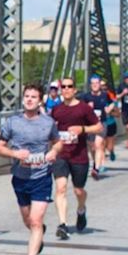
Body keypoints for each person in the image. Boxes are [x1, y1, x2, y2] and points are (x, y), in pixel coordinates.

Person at [0, 85, 61, 255]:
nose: (29, 100)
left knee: (35, 220)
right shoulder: (12, 122)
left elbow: (57, 142)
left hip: (41, 177)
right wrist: (15, 154)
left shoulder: (48, 123)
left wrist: (53, 152)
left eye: (33, 97)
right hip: (20, 177)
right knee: (28, 220)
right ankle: (39, 234)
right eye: (27, 96)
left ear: (40, 101)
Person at [51, 77, 99, 239]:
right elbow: (50, 129)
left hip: (79, 156)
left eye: (69, 86)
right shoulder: (56, 109)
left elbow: (99, 126)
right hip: (61, 155)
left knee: (78, 190)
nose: (66, 89)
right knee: (61, 188)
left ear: (75, 89)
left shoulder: (83, 108)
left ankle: (81, 209)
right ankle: (62, 224)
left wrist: (82, 129)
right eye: (62, 87)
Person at [78, 76, 113, 178]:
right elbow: (80, 109)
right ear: (90, 85)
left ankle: (96, 169)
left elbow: (112, 103)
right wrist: (87, 108)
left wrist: (108, 109)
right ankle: (95, 163)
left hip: (101, 123)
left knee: (98, 144)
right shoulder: (86, 97)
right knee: (92, 146)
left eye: (96, 83)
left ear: (99, 84)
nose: (95, 85)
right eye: (93, 83)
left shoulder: (104, 95)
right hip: (90, 125)